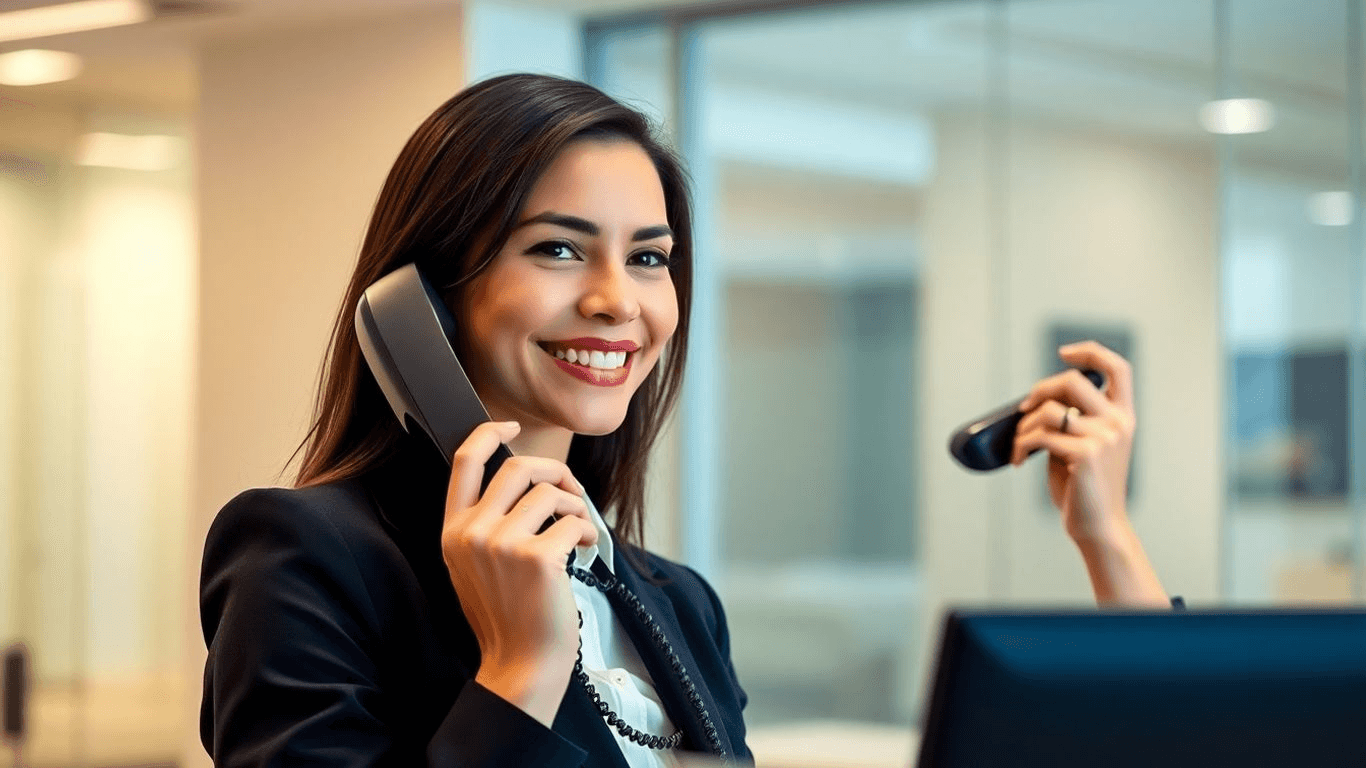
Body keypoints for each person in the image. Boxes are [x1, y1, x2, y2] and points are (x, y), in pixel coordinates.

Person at [198, 74, 1168, 768]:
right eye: (558, 250)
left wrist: (1106, 541)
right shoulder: (307, 555)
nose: (620, 301)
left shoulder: (673, 601)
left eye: (651, 258)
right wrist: (521, 670)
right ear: (423, 301)